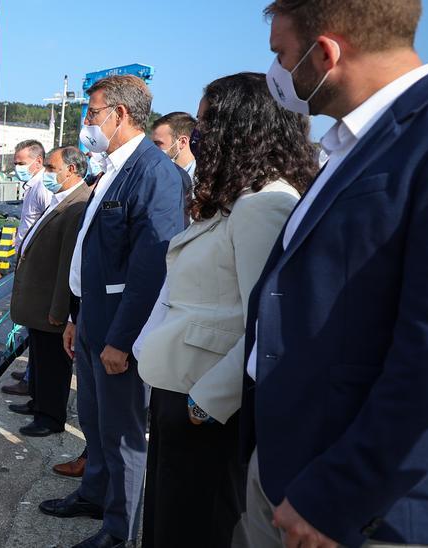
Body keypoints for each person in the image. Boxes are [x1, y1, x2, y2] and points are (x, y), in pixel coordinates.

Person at [242, 1, 428, 546]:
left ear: (326, 53)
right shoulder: (350, 145)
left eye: (282, 55)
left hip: (354, 508)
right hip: (291, 463)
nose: (277, 72)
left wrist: (339, 495)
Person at [132, 73, 313, 548]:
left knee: (196, 525)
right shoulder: (234, 202)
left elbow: (267, 323)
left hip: (207, 406)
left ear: (243, 125)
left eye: (209, 121)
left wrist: (206, 402)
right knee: (169, 520)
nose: (200, 134)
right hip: (181, 389)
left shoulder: (263, 206)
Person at [40, 74, 186, 548]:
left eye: (91, 112)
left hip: (118, 328)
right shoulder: (113, 168)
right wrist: (75, 316)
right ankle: (94, 492)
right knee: (96, 419)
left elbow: (151, 268)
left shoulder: (154, 173)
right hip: (91, 319)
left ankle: (118, 531)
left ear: (119, 114)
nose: (87, 122)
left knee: (124, 433)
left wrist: (122, 339)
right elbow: (98, 251)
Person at [7, 146, 92, 437]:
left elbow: (68, 264)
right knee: (40, 358)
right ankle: (38, 402)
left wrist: (60, 310)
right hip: (39, 302)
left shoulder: (76, 205)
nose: (47, 174)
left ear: (71, 170)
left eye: (52, 169)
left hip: (50, 306)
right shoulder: (62, 198)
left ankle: (50, 418)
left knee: (54, 364)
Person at [0, 140, 53, 397]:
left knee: (35, 321)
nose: (16, 168)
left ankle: (33, 380)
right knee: (31, 324)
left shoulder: (42, 187)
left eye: (21, 163)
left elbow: (47, 227)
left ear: (38, 161)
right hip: (28, 259)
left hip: (37, 265)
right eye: (15, 163)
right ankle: (31, 371)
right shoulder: (32, 185)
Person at [149, 112, 197, 190]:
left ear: (182, 142)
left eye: (158, 143)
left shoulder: (200, 184)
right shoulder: (156, 175)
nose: (153, 149)